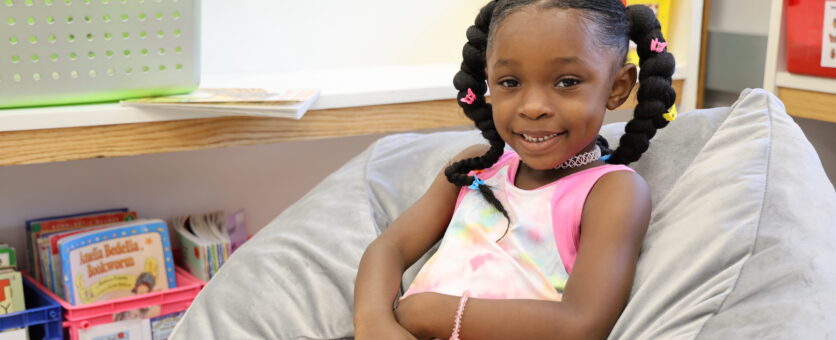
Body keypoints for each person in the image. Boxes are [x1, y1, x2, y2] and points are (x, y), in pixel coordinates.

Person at [354, 0, 676, 338]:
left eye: (567, 82)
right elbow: (388, 248)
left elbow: (581, 324)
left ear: (617, 87)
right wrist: (373, 322)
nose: (533, 107)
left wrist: (432, 313)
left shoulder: (611, 191)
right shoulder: (474, 169)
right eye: (509, 82)